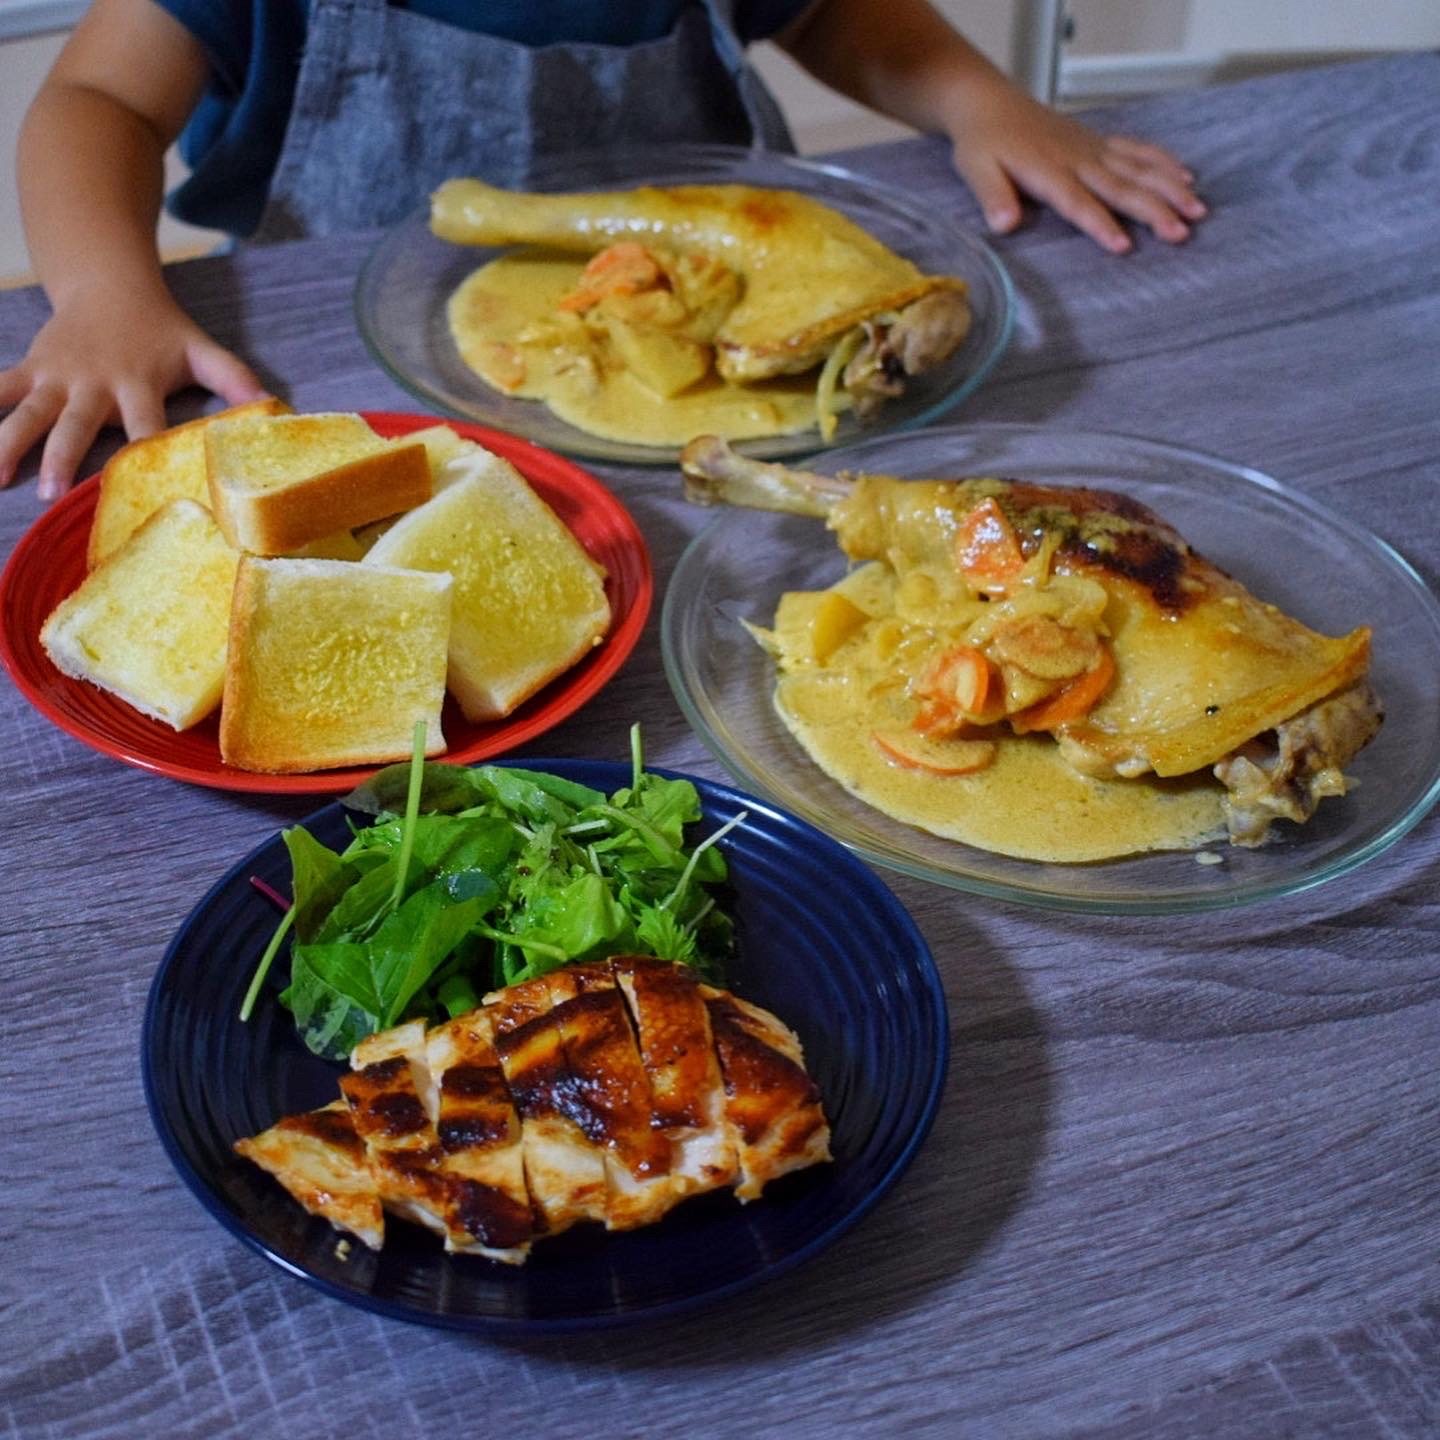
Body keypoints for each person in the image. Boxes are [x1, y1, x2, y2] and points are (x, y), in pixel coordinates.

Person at [0, 0, 1205, 502]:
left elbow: (838, 14)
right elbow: (95, 100)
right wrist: (105, 296)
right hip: (355, 381)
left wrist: (982, 104)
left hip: (736, 387)